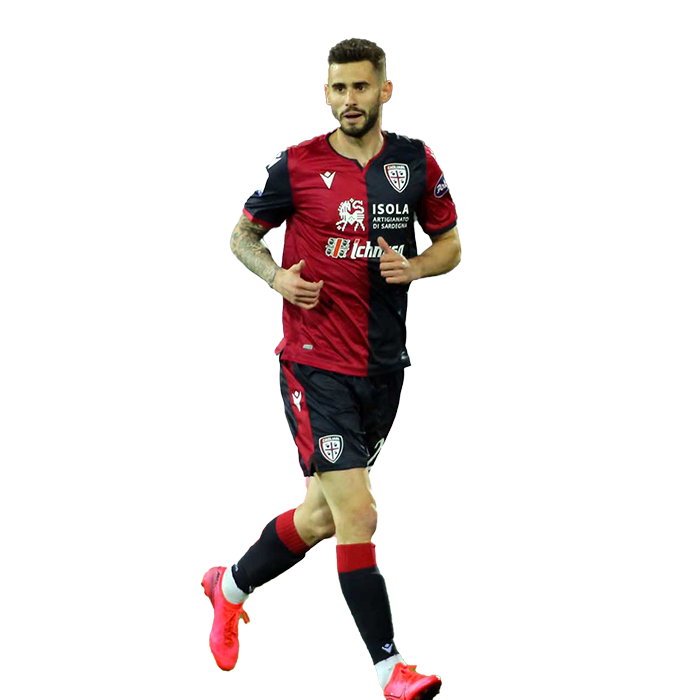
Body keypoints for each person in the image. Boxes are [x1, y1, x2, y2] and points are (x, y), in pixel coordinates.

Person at [201, 37, 461, 700]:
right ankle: (390, 670)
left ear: (384, 91)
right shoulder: (295, 165)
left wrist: (416, 266)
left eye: (361, 87)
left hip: (384, 367)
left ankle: (228, 587)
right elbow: (242, 236)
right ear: (326, 94)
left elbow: (450, 244)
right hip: (314, 366)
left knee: (321, 515)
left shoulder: (415, 163)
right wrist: (277, 279)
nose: (350, 99)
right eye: (339, 88)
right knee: (358, 514)